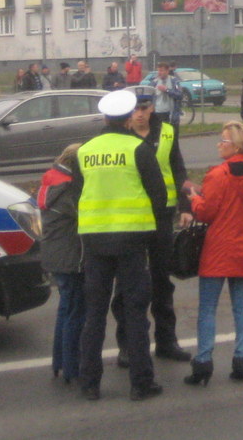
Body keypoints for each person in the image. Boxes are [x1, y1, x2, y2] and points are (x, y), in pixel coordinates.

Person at [73, 89, 167, 402]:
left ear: (103, 117)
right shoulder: (138, 148)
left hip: (95, 240)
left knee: (95, 313)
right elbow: (158, 194)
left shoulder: (85, 150)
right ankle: (141, 383)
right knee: (135, 311)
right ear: (128, 118)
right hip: (132, 240)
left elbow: (77, 195)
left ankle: (89, 383)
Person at [112, 85, 193, 366]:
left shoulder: (168, 132)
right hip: (131, 218)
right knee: (127, 284)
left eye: (144, 108)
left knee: (162, 280)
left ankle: (167, 341)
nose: (139, 114)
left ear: (151, 109)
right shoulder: (120, 136)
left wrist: (185, 206)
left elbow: (178, 169)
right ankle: (127, 346)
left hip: (161, 215)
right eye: (134, 109)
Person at [182, 121, 243, 385]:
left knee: (208, 308)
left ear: (236, 146)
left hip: (219, 248)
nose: (219, 144)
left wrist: (194, 197)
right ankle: (242, 358)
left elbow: (207, 212)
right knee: (241, 306)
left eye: (224, 141)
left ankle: (203, 362)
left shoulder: (219, 174)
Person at [37, 143, 84, 385]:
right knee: (75, 311)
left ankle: (59, 362)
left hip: (54, 253)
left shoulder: (51, 181)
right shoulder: (67, 188)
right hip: (69, 256)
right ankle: (72, 367)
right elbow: (83, 213)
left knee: (65, 309)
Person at [146, 62, 183, 132]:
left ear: (167, 71)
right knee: (159, 138)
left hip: (170, 114)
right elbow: (148, 96)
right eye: (158, 71)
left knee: (172, 139)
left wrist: (167, 90)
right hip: (157, 113)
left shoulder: (174, 81)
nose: (160, 73)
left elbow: (179, 95)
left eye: (162, 71)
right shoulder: (154, 82)